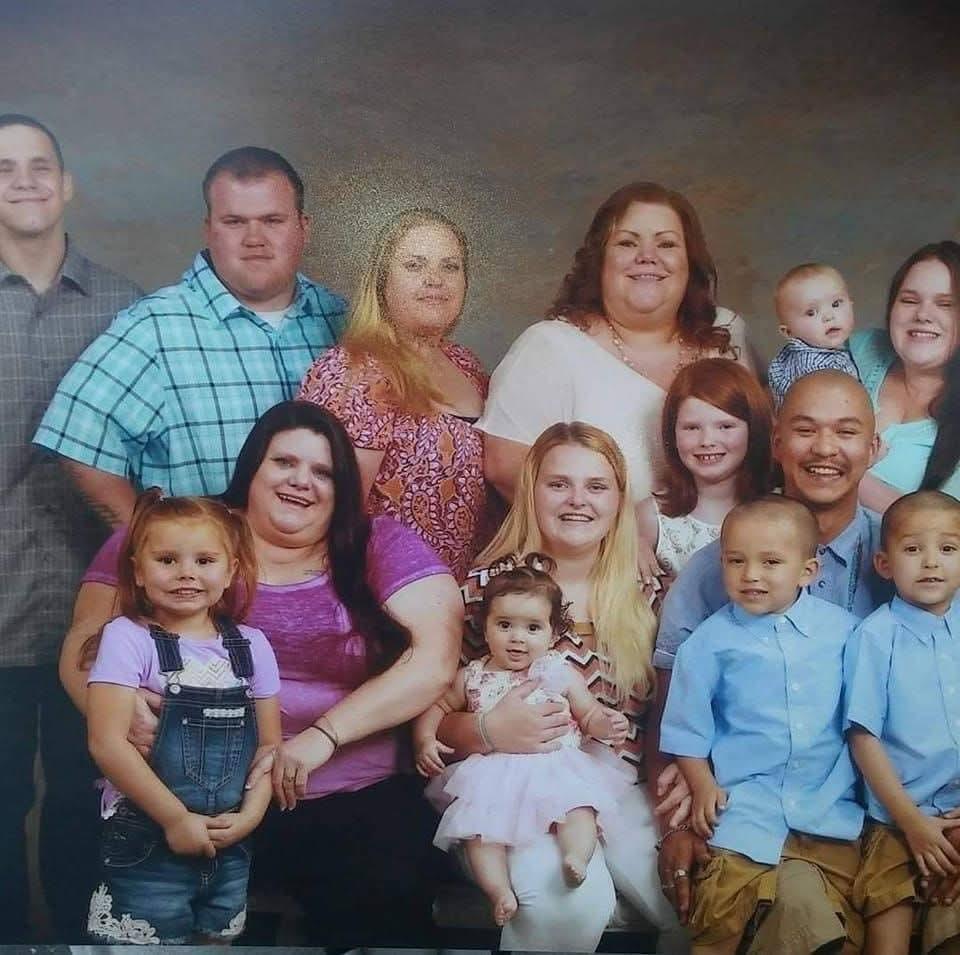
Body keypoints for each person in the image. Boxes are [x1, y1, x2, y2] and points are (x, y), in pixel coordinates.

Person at [59, 401, 462, 947]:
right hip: (179, 787)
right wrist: (117, 706)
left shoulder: (377, 543)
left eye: (323, 472)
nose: (302, 481)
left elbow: (435, 658)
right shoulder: (176, 536)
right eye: (284, 462)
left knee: (386, 900)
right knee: (138, 898)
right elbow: (84, 644)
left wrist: (323, 737)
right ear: (253, 465)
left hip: (348, 786)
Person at [649, 370, 887, 952]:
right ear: (776, 442)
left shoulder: (902, 556)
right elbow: (671, 704)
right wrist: (676, 823)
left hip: (873, 805)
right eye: (804, 430)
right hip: (749, 807)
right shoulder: (721, 566)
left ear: (874, 449)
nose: (825, 449)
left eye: (847, 432)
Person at [438, 421, 687, 953]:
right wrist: (487, 728)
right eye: (559, 484)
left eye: (596, 486)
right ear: (531, 492)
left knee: (683, 897)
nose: (578, 501)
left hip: (624, 784)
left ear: (620, 498)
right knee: (570, 904)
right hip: (507, 786)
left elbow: (678, 706)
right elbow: (436, 718)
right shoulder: (487, 590)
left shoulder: (652, 588)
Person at [34, 146, 347, 527]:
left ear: (303, 227)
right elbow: (77, 441)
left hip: (328, 577)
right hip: (211, 582)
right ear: (208, 230)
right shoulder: (155, 327)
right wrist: (154, 542)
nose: (254, 238)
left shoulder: (344, 322)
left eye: (272, 220)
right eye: (234, 221)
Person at [0, 113, 142, 943]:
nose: (24, 180)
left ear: (67, 184)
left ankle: (76, 945)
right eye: (5, 167)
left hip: (105, 608)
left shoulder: (127, 305)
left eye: (40, 164)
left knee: (92, 801)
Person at [661, 497, 863, 955]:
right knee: (720, 915)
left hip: (826, 810)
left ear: (807, 571)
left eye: (770, 562)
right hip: (745, 808)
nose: (751, 574)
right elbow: (685, 729)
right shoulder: (709, 643)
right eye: (736, 561)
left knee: (836, 926)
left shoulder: (846, 634)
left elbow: (863, 722)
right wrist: (702, 784)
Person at [479, 180, 754, 506]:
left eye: (666, 244)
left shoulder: (726, 332)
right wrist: (615, 536)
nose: (647, 257)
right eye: (627, 243)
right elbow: (506, 467)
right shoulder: (549, 347)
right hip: (596, 551)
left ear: (689, 262)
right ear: (600, 261)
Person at [85, 492, 281, 944]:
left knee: (214, 943)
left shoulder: (252, 646)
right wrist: (174, 818)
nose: (187, 573)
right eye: (168, 559)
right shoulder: (128, 638)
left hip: (229, 838)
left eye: (205, 560)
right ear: (138, 569)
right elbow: (107, 743)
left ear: (231, 569)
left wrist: (250, 816)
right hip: (147, 837)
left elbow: (269, 747)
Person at [416, 555, 631, 926]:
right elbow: (436, 707)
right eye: (504, 625)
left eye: (533, 628)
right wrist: (424, 740)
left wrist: (606, 724)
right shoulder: (473, 675)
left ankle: (575, 856)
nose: (517, 637)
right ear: (484, 629)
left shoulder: (557, 670)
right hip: (494, 772)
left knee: (580, 807)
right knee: (479, 832)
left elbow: (589, 711)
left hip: (555, 764)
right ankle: (498, 890)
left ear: (552, 634)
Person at [298, 208, 487, 581]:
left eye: (450, 266)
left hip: (468, 607)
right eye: (415, 265)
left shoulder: (467, 365)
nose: (435, 280)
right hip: (385, 602)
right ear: (382, 280)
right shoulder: (355, 372)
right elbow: (330, 523)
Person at [845, 490, 960, 955]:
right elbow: (863, 736)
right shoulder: (875, 636)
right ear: (885, 563)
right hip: (895, 818)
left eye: (948, 549)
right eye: (913, 549)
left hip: (956, 813)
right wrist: (910, 821)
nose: (931, 562)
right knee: (887, 921)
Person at [636, 358, 774, 584]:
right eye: (692, 428)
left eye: (725, 426)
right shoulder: (651, 517)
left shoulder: (780, 512)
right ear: (672, 433)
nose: (707, 440)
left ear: (754, 429)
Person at [850, 241, 960, 511]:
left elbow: (942, 525)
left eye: (945, 304)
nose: (922, 315)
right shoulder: (860, 349)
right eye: (909, 300)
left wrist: (844, 473)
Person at [767, 263, 860, 408]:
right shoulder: (817, 368)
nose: (829, 316)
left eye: (836, 304)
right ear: (788, 332)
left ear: (851, 303)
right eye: (811, 313)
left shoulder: (799, 354)